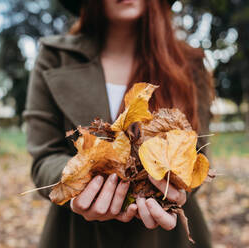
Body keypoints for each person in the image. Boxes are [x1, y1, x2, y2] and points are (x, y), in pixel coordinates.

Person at [23, 0, 215, 247]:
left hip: (164, 238)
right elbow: (44, 156)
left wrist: (175, 189)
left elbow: (198, 156)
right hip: (78, 234)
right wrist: (78, 183)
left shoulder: (189, 64)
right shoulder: (55, 57)